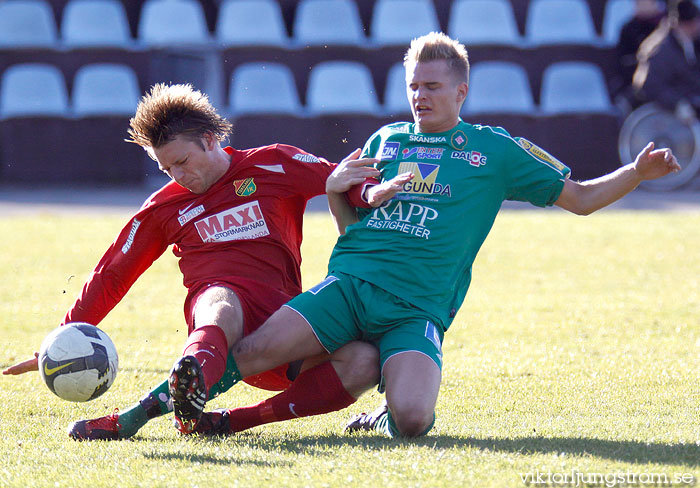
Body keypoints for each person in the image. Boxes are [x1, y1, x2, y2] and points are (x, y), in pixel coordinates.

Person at [165, 32, 680, 438]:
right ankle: (166, 408)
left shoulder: (494, 150)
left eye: (431, 86)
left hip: (417, 308)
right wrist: (341, 196)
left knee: (412, 419)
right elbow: (350, 216)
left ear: (461, 91)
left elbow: (582, 199)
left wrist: (635, 171)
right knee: (252, 353)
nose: (419, 96)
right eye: (413, 85)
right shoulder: (386, 138)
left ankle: (374, 416)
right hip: (349, 287)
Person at [2, 82, 382, 440]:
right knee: (221, 300)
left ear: (210, 139)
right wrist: (62, 339)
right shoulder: (163, 207)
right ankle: (160, 399)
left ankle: (225, 422)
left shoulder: (271, 164)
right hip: (218, 325)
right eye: (167, 170)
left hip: (284, 329)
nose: (179, 177)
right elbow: (112, 275)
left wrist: (374, 193)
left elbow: (342, 180)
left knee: (365, 361)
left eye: (183, 162)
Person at [634, 0, 700, 120]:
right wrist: (677, 104)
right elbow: (651, 85)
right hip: (669, 117)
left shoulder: (694, 43)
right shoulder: (660, 50)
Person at [614, 0, 665, 106]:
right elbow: (622, 62)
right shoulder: (628, 29)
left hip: (665, 83)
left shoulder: (667, 28)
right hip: (636, 85)